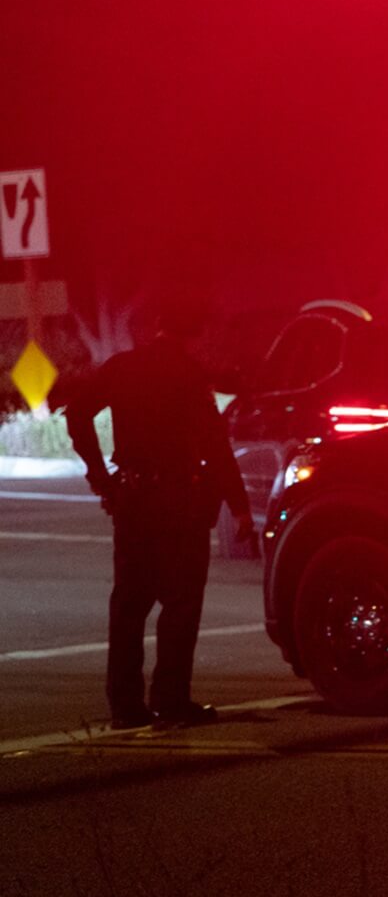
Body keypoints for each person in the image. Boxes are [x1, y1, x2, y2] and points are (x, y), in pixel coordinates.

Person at [66, 297, 255, 729]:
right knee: (181, 602)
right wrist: (239, 505)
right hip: (179, 502)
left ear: (158, 326)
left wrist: (101, 476)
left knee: (129, 604)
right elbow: (215, 446)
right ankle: (171, 700)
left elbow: (76, 413)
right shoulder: (188, 376)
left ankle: (125, 705)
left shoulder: (121, 367)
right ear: (196, 333)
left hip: (132, 500)